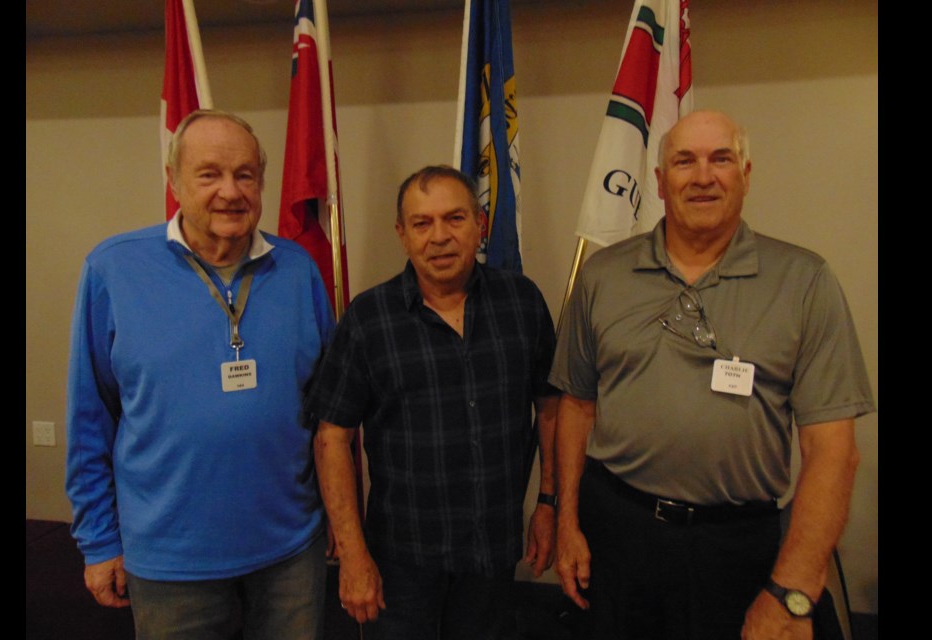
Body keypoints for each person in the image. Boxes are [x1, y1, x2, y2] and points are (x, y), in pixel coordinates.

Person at [550, 110, 875, 640]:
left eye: (721, 158)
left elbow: (833, 453)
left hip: (738, 546)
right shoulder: (603, 275)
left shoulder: (803, 282)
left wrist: (792, 591)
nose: (703, 176)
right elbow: (577, 405)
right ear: (659, 181)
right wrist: (568, 524)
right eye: (684, 161)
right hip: (618, 532)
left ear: (746, 174)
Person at [66, 109, 334, 639]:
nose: (230, 192)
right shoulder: (112, 271)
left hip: (289, 549)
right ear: (174, 181)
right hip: (170, 557)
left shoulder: (298, 270)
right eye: (209, 174)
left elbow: (331, 412)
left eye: (245, 175)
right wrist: (99, 542)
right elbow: (89, 417)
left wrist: (342, 524)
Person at [306, 165, 559, 640]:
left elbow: (550, 407)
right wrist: (354, 554)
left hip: (493, 553)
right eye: (422, 224)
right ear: (402, 235)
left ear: (479, 224)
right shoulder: (369, 318)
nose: (439, 237)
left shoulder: (522, 303)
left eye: (454, 219)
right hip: (401, 561)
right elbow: (332, 437)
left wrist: (548, 503)